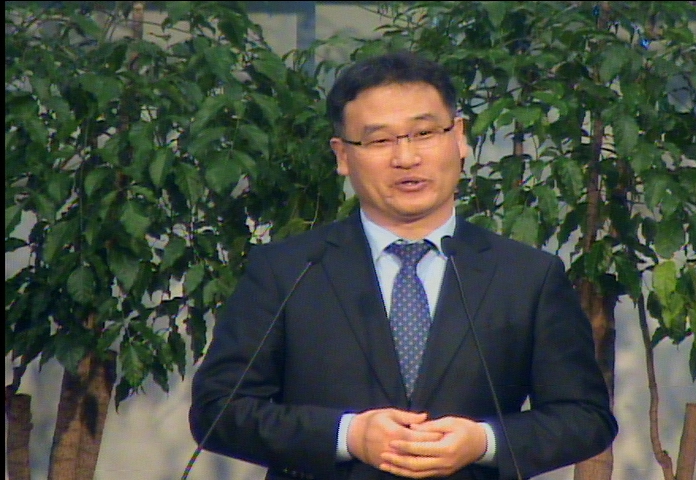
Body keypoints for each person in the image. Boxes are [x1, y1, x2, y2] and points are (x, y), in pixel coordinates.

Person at [189, 50, 618, 480]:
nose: (406, 158)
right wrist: (347, 436)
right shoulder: (287, 270)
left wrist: (484, 442)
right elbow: (218, 411)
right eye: (379, 141)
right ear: (343, 156)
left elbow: (585, 417)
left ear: (459, 137)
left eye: (424, 133)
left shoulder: (527, 276)